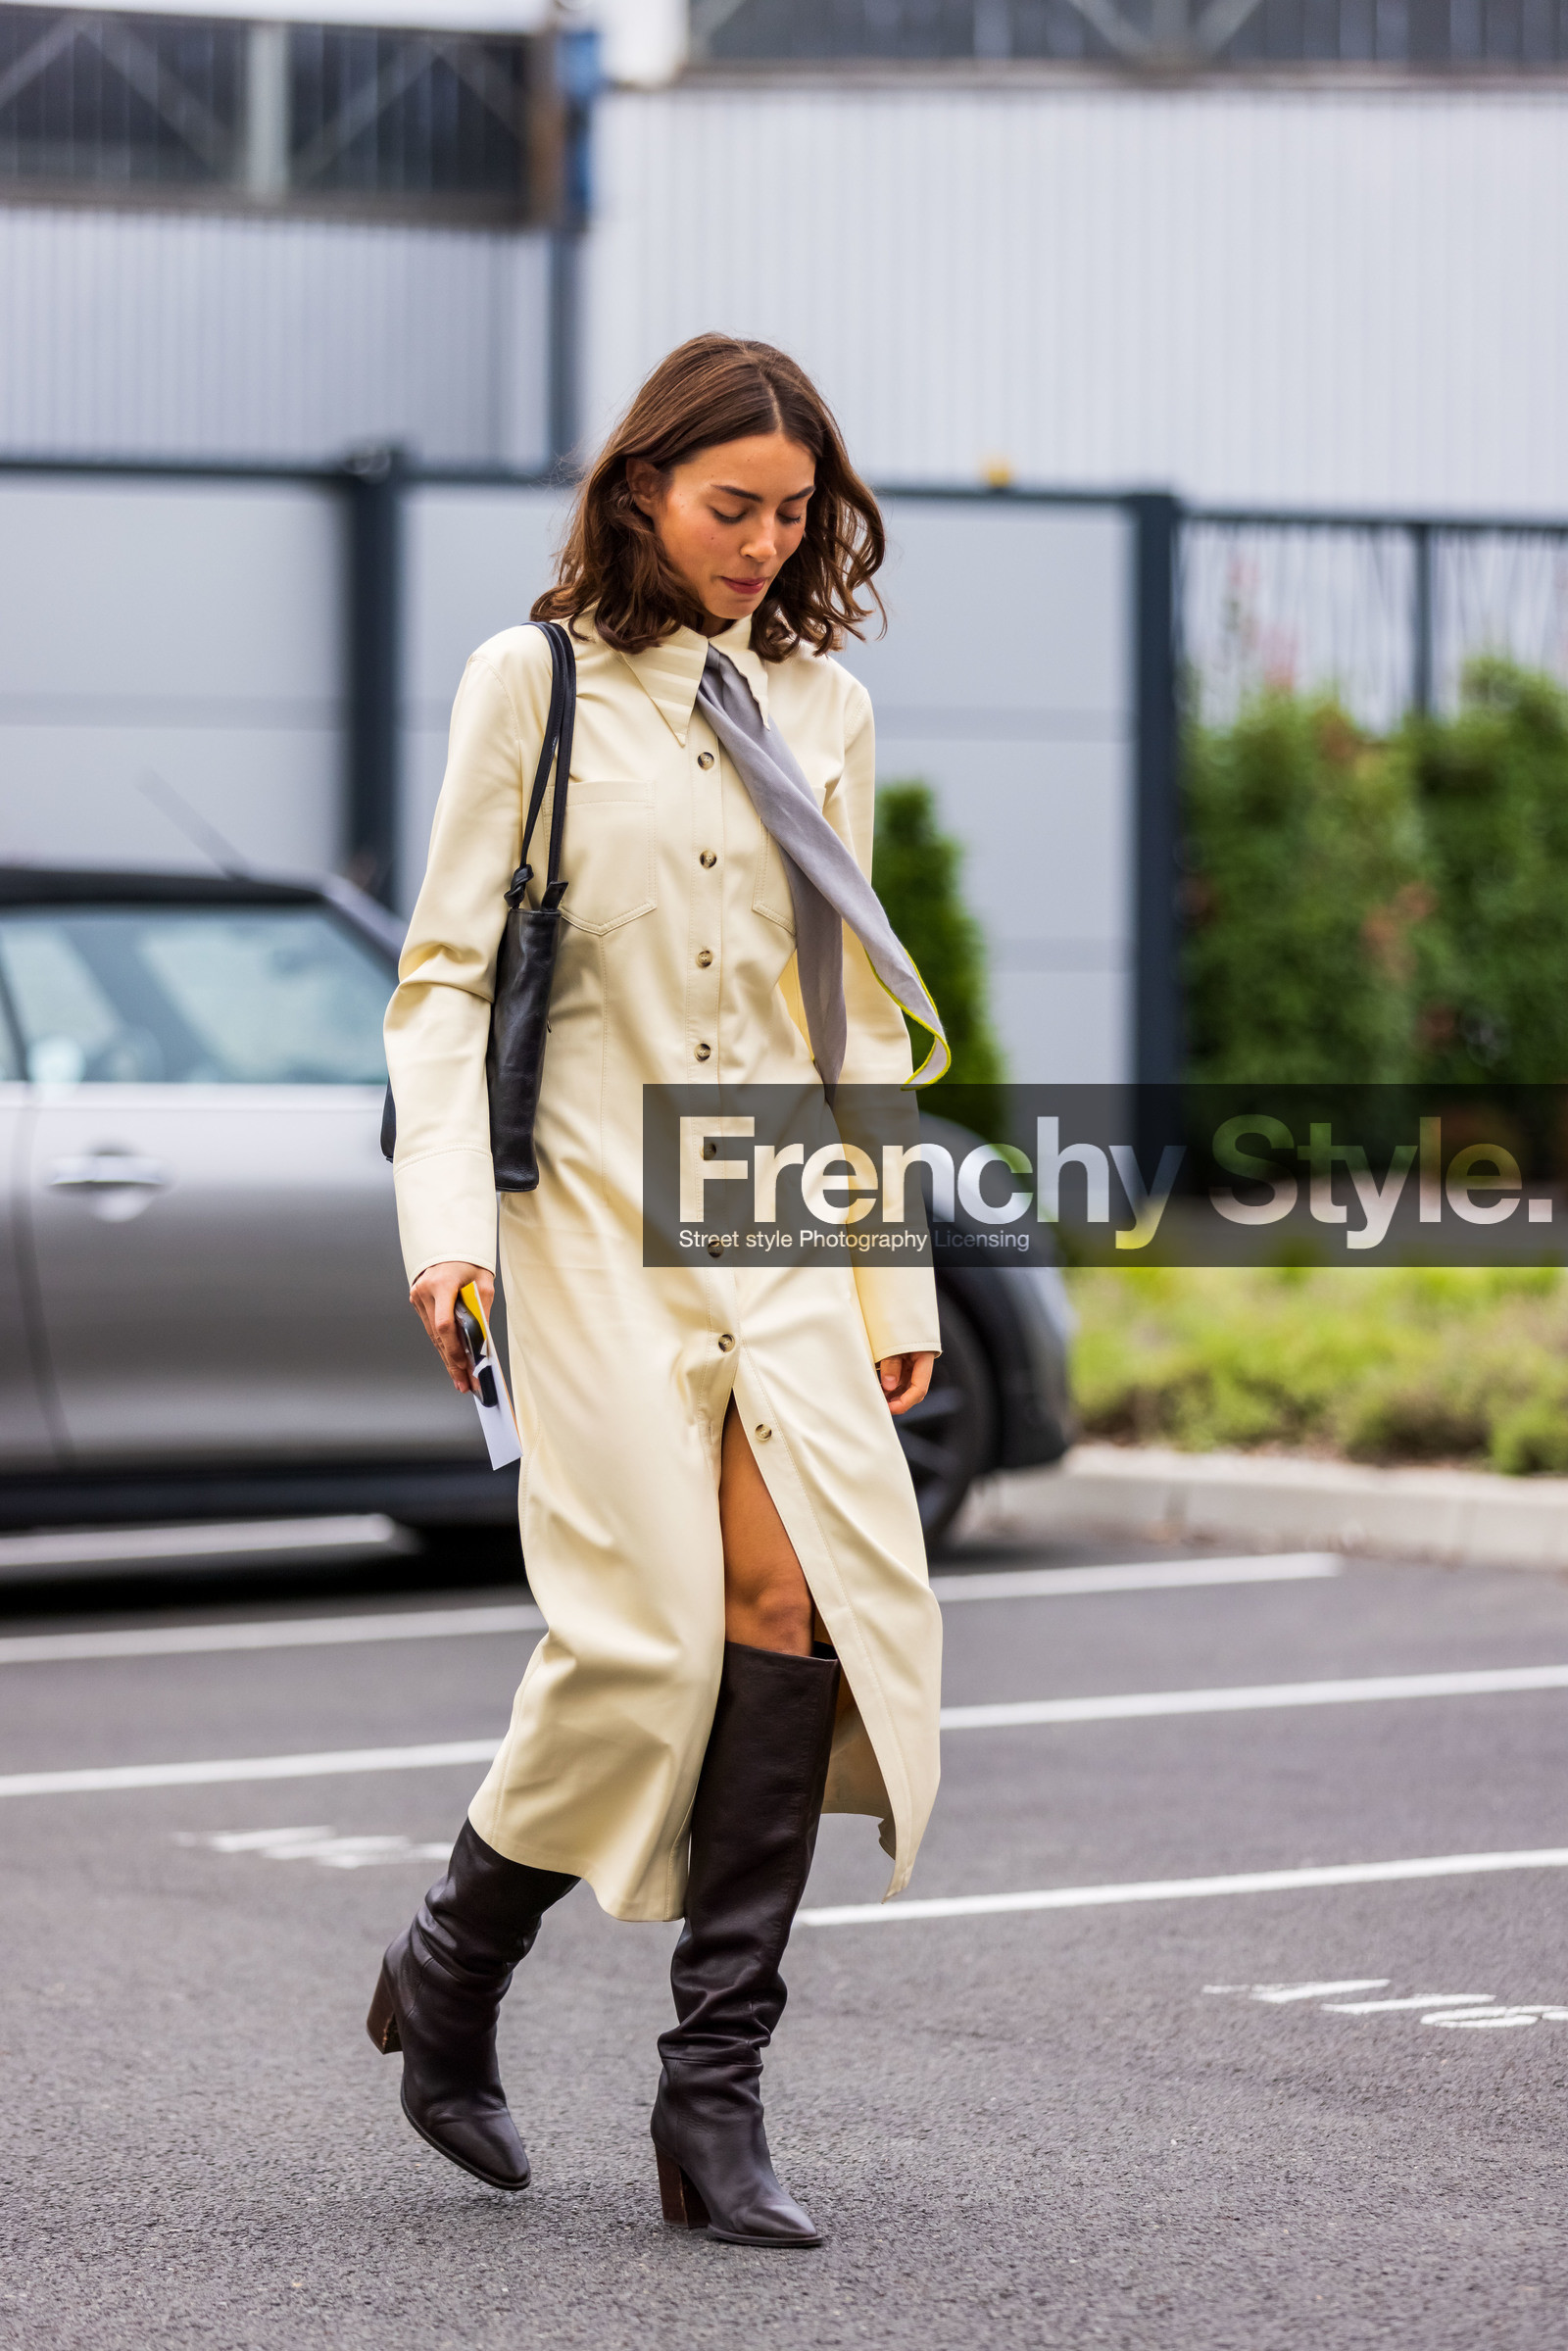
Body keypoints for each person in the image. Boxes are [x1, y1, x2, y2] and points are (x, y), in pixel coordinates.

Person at [369, 332, 948, 2250]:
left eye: (792, 515)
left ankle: (713, 2106)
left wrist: (889, 1265)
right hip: (590, 1210)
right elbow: (444, 977)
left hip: (773, 1196)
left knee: (799, 1604)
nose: (763, 548)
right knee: (641, 1651)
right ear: (638, 489)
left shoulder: (820, 705)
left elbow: (841, 1003)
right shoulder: (526, 682)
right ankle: (452, 1963)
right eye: (730, 509)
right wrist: (443, 1221)